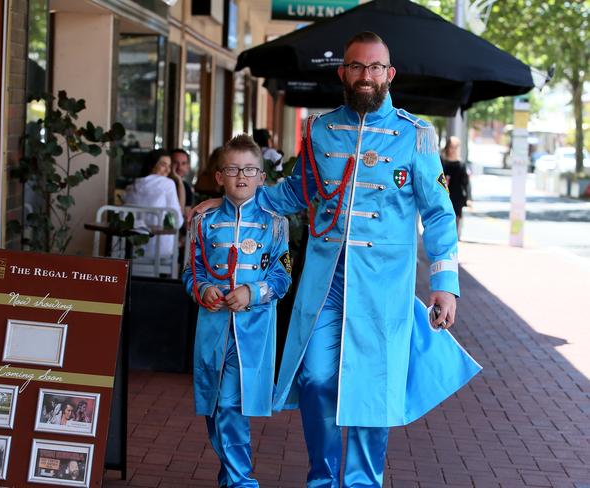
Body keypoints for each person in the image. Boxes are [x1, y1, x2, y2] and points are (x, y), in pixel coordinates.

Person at [193, 32, 481, 487]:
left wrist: (445, 284)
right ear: (342, 72)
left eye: (374, 68)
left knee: (371, 391)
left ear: (389, 74)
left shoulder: (416, 135)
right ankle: (322, 479)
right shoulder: (321, 129)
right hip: (325, 284)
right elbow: (294, 191)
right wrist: (233, 201)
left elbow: (439, 216)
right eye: (356, 67)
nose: (365, 76)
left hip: (383, 288)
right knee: (316, 379)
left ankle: (362, 483)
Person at [182, 134, 292, 487]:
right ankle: (230, 478)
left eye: (249, 170)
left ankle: (243, 482)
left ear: (262, 176)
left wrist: (252, 291)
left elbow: (283, 275)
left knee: (230, 406)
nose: (241, 176)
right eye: (232, 169)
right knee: (215, 409)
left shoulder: (276, 224)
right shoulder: (202, 222)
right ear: (219, 177)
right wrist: (203, 289)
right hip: (213, 329)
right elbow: (190, 271)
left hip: (252, 333)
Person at [124, 149, 184, 258]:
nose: (167, 170)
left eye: (169, 166)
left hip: (131, 249)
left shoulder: (133, 185)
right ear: (151, 165)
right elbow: (178, 222)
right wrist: (179, 181)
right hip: (159, 250)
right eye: (163, 165)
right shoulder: (168, 184)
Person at [441, 136, 470, 238]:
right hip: (444, 196)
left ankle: (454, 239)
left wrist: (468, 199)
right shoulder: (441, 162)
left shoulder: (461, 164)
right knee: (443, 219)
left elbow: (466, 183)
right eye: (451, 147)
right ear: (447, 147)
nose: (452, 150)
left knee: (455, 220)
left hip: (457, 197)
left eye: (455, 147)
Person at [172, 148, 194, 219]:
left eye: (183, 163)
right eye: (175, 163)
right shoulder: (163, 183)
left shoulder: (186, 187)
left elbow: (186, 217)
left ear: (188, 167)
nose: (179, 167)